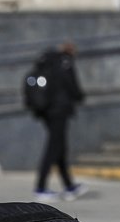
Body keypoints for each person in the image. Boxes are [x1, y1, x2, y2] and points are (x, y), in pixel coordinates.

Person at [33, 42, 87, 201]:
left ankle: (69, 186)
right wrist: (79, 96)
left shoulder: (48, 62)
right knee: (53, 149)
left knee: (59, 148)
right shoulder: (65, 63)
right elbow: (72, 86)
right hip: (60, 110)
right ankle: (40, 187)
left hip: (48, 111)